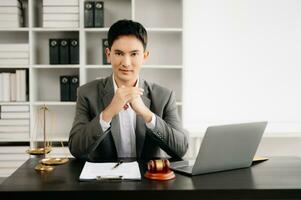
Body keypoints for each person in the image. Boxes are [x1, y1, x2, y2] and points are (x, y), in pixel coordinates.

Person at [68, 19, 188, 161]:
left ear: (144, 56)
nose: (126, 63)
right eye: (119, 53)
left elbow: (180, 149)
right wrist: (109, 112)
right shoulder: (86, 93)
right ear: (108, 54)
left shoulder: (164, 96)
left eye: (134, 54)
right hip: (104, 180)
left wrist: (146, 114)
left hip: (148, 180)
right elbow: (76, 148)